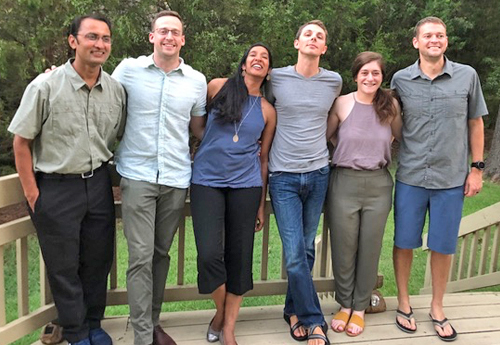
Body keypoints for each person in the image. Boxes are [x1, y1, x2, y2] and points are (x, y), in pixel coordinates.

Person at [8, 14, 126, 345]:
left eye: (105, 38)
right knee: (63, 266)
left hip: (100, 185)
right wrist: (33, 195)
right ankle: (75, 332)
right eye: (91, 37)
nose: (99, 44)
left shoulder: (115, 90)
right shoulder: (45, 86)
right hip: (56, 188)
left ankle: (93, 323)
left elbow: (115, 134)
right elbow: (21, 142)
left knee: (97, 260)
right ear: (73, 41)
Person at [111, 10, 207, 345]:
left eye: (175, 32)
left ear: (183, 39)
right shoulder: (127, 71)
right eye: (162, 31)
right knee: (140, 256)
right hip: (137, 174)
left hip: (176, 177)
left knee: (160, 253)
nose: (169, 36)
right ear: (152, 36)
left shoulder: (196, 81)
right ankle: (142, 335)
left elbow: (199, 129)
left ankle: (151, 322)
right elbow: (100, 97)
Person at [391, 16, 487, 342]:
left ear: (446, 41)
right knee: (404, 241)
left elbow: (475, 123)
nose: (435, 39)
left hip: (451, 178)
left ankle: (436, 306)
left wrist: (477, 169)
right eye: (428, 35)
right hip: (411, 175)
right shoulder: (400, 79)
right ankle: (404, 302)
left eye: (441, 35)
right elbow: (389, 123)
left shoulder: (467, 76)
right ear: (416, 42)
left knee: (443, 245)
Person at [190, 43, 276, 345]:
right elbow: (196, 125)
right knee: (209, 254)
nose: (258, 59)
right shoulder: (217, 87)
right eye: (253, 55)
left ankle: (227, 326)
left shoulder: (267, 111)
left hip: (247, 186)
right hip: (206, 182)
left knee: (240, 257)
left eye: (264, 58)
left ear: (267, 71)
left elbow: (263, 158)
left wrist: (261, 204)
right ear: (243, 64)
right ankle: (220, 311)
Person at [267, 20, 342, 345]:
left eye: (320, 36)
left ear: (324, 48)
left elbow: (331, 119)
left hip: (318, 172)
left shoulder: (333, 81)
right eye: (308, 34)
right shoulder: (277, 77)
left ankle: (293, 311)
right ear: (297, 43)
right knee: (295, 253)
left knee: (306, 250)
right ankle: (314, 321)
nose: (314, 39)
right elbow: (260, 107)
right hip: (283, 175)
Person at [325, 51, 402, 337]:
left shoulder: (390, 105)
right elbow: (328, 137)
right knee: (344, 248)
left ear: (382, 77)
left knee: (370, 247)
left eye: (376, 73)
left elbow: (399, 136)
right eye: (365, 73)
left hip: (379, 184)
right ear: (355, 75)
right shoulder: (342, 103)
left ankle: (360, 307)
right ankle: (344, 304)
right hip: (344, 181)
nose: (370, 78)